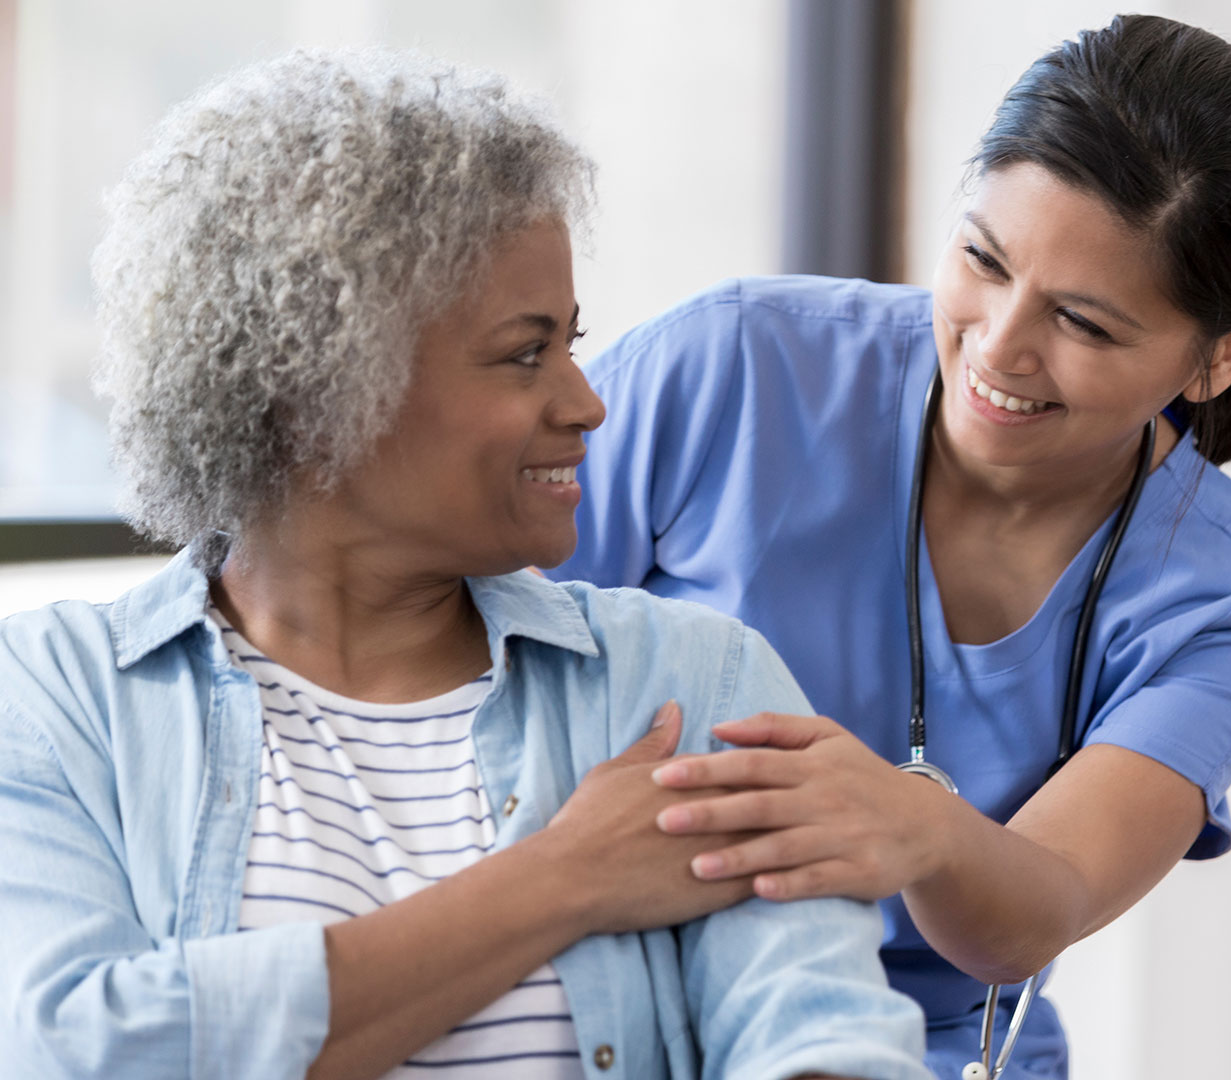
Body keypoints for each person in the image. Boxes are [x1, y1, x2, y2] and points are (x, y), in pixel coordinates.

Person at [0, 49, 930, 1080]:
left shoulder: (687, 683)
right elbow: (79, 1049)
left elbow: (827, 1040)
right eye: (524, 352)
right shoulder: (56, 700)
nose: (587, 403)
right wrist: (565, 877)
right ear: (317, 396)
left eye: (573, 342)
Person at [552, 14, 1231, 1079]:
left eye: (1085, 325)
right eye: (981, 260)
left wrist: (917, 827)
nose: (999, 345)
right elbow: (462, 653)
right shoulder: (735, 366)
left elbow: (1027, 916)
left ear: (1224, 353)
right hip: (606, 1001)